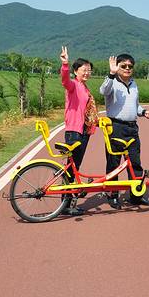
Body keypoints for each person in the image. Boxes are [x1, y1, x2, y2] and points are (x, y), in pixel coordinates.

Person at [99, 53, 149, 208]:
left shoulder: (134, 84)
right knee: (114, 163)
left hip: (132, 128)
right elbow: (103, 91)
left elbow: (135, 105)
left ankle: (136, 196)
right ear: (117, 67)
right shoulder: (111, 82)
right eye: (123, 66)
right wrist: (111, 73)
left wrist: (143, 112)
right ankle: (113, 195)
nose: (127, 68)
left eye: (130, 66)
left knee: (135, 163)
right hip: (115, 127)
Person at [59, 46, 99, 216]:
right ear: (76, 71)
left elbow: (86, 110)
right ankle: (65, 204)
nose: (87, 72)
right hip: (74, 131)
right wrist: (65, 64)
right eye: (84, 70)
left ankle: (67, 203)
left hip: (83, 131)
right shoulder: (74, 85)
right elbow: (64, 81)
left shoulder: (84, 87)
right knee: (71, 167)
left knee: (74, 166)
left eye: (89, 70)